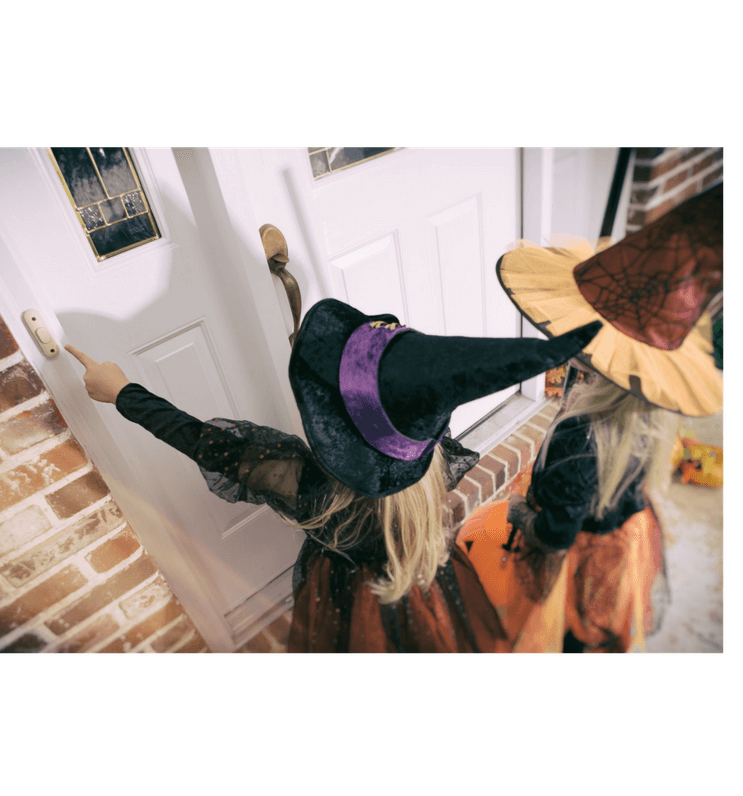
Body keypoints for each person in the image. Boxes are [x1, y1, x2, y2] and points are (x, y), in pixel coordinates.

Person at [66, 297, 601, 653]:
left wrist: (123, 394)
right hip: (426, 581)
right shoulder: (430, 455)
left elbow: (204, 443)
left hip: (345, 600)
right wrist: (284, 281)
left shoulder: (307, 486)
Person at [458, 182, 724, 654]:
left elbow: (557, 536)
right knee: (604, 623)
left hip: (578, 556)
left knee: (568, 629)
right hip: (624, 534)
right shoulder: (648, 416)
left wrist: (519, 511)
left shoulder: (579, 438)